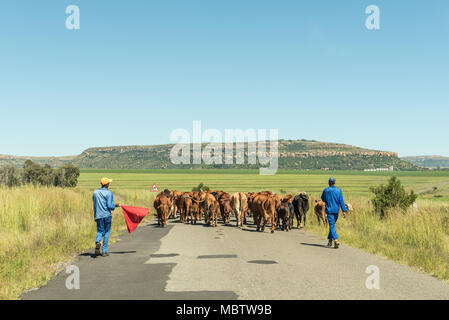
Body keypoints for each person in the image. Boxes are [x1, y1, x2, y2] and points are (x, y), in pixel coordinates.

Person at [93, 178, 120, 257]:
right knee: (107, 232)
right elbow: (109, 206)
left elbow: (95, 204)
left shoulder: (95, 192)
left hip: (98, 215)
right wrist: (115, 205)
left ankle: (98, 241)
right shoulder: (109, 193)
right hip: (107, 215)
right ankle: (104, 251)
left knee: (100, 230)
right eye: (109, 183)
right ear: (107, 184)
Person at [321, 177, 347, 249]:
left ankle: (335, 240)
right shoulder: (339, 191)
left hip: (329, 210)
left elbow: (323, 199)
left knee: (331, 225)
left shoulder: (326, 190)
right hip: (336, 211)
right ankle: (330, 241)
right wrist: (344, 211)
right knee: (332, 225)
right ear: (334, 183)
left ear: (329, 183)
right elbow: (341, 201)